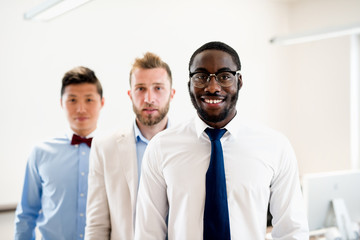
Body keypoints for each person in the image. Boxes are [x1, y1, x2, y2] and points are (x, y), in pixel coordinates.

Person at [134, 41, 309, 239]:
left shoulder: (276, 147)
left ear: (239, 81)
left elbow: (292, 231)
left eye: (224, 76)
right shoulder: (161, 147)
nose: (212, 87)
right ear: (189, 84)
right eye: (201, 77)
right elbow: (148, 233)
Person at [85, 52, 175, 239]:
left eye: (158, 88)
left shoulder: (190, 146)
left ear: (171, 93)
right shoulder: (104, 147)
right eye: (141, 89)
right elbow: (97, 224)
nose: (149, 98)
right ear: (130, 94)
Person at [14, 66, 105, 239]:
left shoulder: (114, 151)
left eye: (89, 100)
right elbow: (26, 213)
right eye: (72, 100)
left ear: (102, 102)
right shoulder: (40, 153)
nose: (80, 109)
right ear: (61, 103)